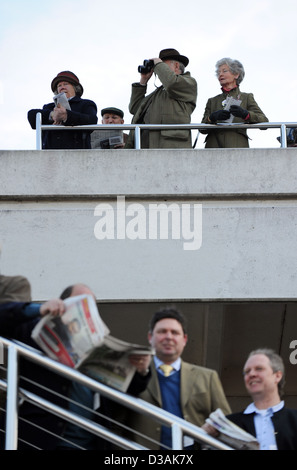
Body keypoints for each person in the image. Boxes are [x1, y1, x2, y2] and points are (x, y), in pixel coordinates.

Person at [128, 307, 231, 450]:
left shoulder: (208, 377)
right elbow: (115, 421)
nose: (168, 337)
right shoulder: (134, 375)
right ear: (150, 337)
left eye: (175, 332)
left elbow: (226, 422)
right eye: (162, 331)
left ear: (185, 339)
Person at [205, 348, 297, 450]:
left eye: (259, 369)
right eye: (247, 371)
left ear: (277, 376)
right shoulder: (229, 424)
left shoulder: (294, 419)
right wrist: (204, 434)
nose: (251, 374)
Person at [125, 48, 197, 149]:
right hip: (146, 149)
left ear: (176, 66)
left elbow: (172, 83)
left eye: (162, 65)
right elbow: (134, 109)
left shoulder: (188, 82)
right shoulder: (157, 94)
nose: (157, 70)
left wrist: (158, 63)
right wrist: (143, 81)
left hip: (171, 148)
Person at [201, 58, 268, 148]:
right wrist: (212, 118)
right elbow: (202, 129)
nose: (220, 74)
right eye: (218, 72)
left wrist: (246, 115)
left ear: (236, 74)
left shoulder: (246, 97)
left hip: (237, 149)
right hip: (213, 149)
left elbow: (264, 123)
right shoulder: (212, 101)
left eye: (224, 71)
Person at [27, 71, 98, 149]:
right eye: (59, 85)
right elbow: (32, 116)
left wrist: (66, 116)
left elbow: (92, 120)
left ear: (75, 88)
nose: (62, 87)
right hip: (51, 155)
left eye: (66, 84)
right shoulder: (49, 107)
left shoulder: (86, 104)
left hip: (78, 153)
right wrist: (52, 115)